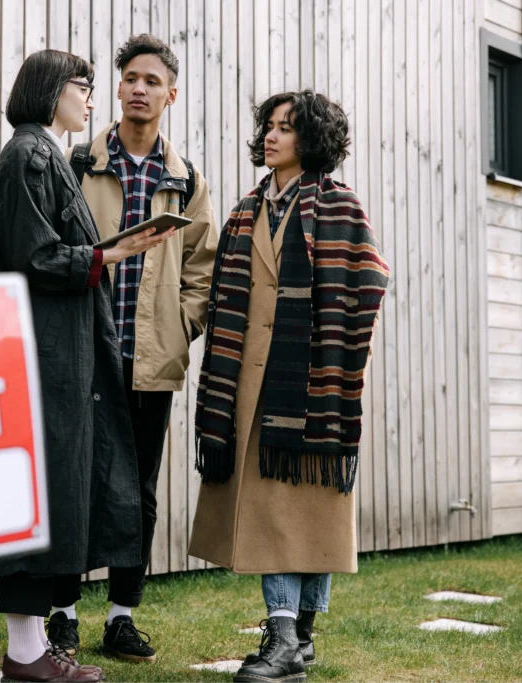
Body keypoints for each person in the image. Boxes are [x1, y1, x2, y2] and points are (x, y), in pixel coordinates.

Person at [0, 49, 175, 683]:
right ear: (52, 90)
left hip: (54, 355)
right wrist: (110, 255)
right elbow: (37, 257)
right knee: (38, 496)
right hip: (43, 357)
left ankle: (30, 651)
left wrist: (108, 251)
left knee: (47, 496)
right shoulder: (31, 155)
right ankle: (26, 656)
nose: (92, 99)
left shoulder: (41, 154)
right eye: (83, 87)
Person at [188, 90, 390, 683]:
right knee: (274, 511)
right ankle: (285, 638)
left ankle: (295, 641)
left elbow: (369, 283)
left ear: (313, 139)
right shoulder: (246, 209)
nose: (272, 137)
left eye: (287, 128)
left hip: (313, 383)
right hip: (248, 384)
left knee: (309, 514)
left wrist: (335, 352)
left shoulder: (341, 206)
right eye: (269, 127)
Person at [46, 34, 217, 665]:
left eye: (152, 80)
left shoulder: (186, 179)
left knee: (136, 490)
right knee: (73, 483)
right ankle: (61, 614)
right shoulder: (74, 164)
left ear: (171, 94)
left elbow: (203, 268)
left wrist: (181, 323)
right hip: (85, 354)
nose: (139, 88)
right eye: (130, 79)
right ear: (118, 89)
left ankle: (121, 617)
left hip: (150, 360)